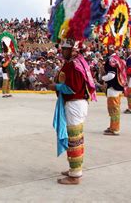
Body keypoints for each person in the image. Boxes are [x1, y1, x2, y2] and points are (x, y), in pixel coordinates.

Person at [49, 39, 96, 185]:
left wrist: (55, 86)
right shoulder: (80, 61)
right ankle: (74, 169)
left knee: (74, 139)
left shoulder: (73, 64)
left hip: (74, 103)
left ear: (72, 49)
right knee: (76, 138)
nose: (61, 52)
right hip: (79, 103)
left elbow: (72, 88)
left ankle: (75, 175)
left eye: (64, 49)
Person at [102, 45, 127, 136]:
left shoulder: (111, 60)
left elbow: (111, 75)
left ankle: (115, 128)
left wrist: (102, 78)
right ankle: (113, 126)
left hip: (113, 87)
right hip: (118, 86)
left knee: (114, 109)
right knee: (114, 108)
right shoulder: (117, 58)